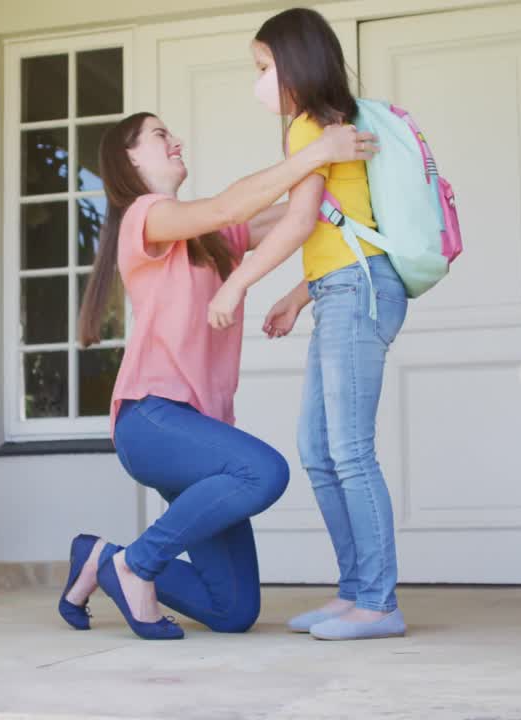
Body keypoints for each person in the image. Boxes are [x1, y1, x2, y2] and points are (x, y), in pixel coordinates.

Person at [59, 111, 378, 639]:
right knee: (264, 472)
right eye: (160, 135)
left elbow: (302, 213)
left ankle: (103, 558)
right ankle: (136, 565)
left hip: (198, 431)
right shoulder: (143, 217)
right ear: (129, 157)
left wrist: (347, 176)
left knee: (231, 610)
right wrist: (318, 150)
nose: (176, 140)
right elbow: (230, 205)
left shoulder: (210, 238)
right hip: (152, 418)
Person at [206, 7, 410, 641]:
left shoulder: (309, 128)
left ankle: (377, 601)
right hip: (342, 287)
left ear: (293, 66)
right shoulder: (326, 127)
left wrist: (239, 281)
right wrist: (301, 294)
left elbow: (298, 223)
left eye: (263, 66)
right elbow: (340, 227)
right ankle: (354, 593)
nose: (259, 81)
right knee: (320, 451)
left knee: (347, 450)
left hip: (357, 291)